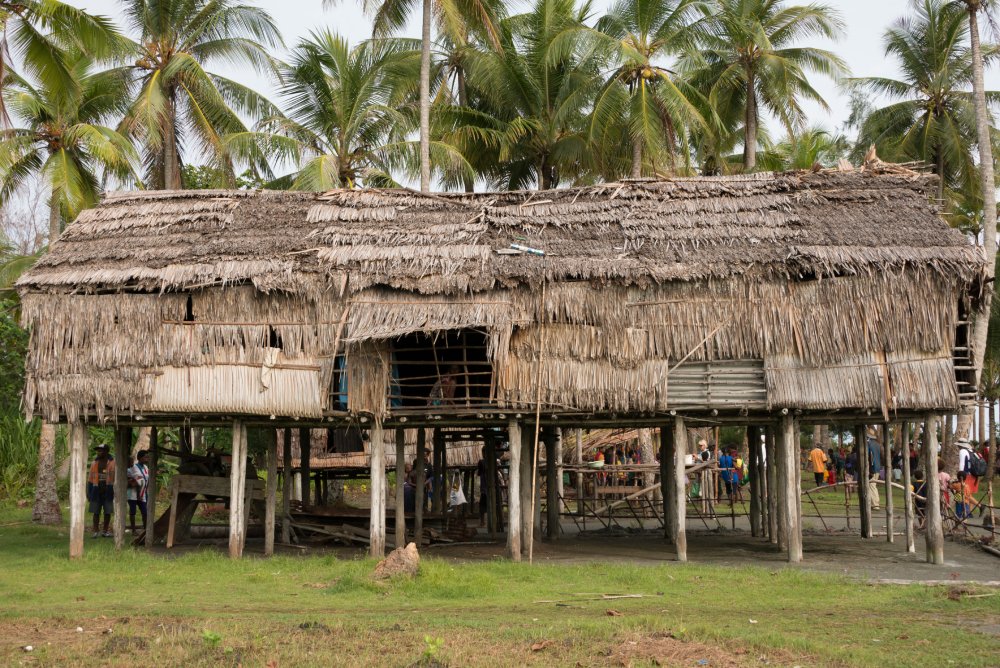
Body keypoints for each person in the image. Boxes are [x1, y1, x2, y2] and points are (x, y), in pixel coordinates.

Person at [87, 444, 115, 538]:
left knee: (107, 512)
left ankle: (105, 531)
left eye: (101, 451)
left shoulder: (113, 462)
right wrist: (89, 492)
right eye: (98, 451)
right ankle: (95, 531)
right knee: (96, 512)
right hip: (96, 490)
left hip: (108, 490)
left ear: (106, 451)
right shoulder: (94, 463)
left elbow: (116, 477)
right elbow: (90, 479)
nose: (98, 452)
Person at [126, 450, 150, 535]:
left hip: (143, 493)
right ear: (140, 458)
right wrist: (132, 482)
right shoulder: (132, 467)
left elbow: (146, 479)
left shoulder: (146, 467)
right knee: (133, 512)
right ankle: (133, 530)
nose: (147, 458)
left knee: (145, 511)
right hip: (132, 494)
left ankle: (146, 530)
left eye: (148, 457)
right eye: (145, 457)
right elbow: (130, 480)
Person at [866, 428, 882, 511]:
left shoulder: (868, 444)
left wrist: (870, 470)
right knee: (872, 486)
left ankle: (875, 504)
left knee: (872, 486)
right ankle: (872, 504)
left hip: (872, 468)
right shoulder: (877, 444)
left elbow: (870, 457)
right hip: (877, 467)